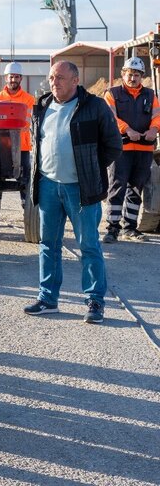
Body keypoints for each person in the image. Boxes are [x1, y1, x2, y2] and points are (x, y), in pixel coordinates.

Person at [23, 61, 122, 324]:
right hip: (48, 186)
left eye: (60, 78)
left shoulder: (94, 107)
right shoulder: (42, 105)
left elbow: (113, 145)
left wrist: (90, 169)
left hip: (81, 189)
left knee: (88, 245)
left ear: (75, 80)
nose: (54, 82)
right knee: (48, 244)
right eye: (52, 77)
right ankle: (48, 298)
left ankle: (95, 301)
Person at [102, 56, 159, 243]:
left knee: (136, 189)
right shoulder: (112, 93)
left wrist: (154, 129)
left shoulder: (151, 95)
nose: (132, 78)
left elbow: (157, 116)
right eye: (129, 74)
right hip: (121, 149)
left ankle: (130, 228)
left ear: (142, 76)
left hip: (144, 150)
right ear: (123, 74)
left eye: (136, 74)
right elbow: (110, 118)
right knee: (116, 188)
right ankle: (112, 229)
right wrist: (127, 129)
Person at [0, 62, 35, 225]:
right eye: (10, 77)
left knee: (25, 181)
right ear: (6, 78)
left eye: (16, 77)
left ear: (20, 78)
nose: (13, 79)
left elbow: (30, 124)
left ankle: (28, 215)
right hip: (0, 149)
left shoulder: (29, 100)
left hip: (22, 148)